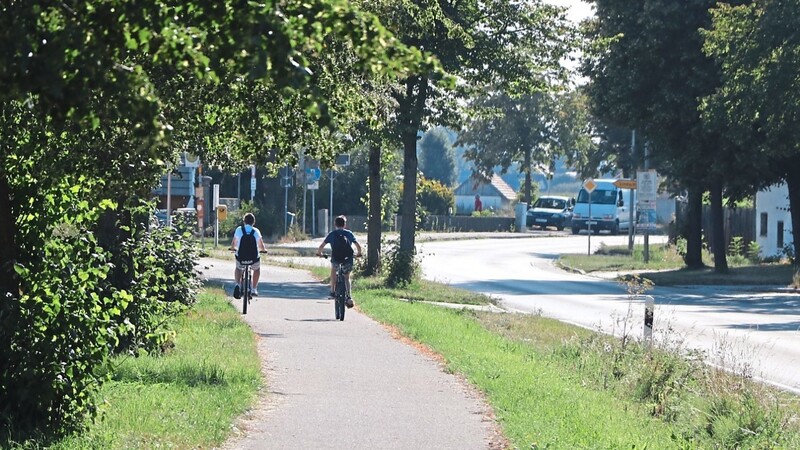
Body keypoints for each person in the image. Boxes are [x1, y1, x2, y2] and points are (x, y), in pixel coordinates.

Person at [317, 215, 362, 308]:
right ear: (344, 224)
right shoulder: (349, 233)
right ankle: (349, 297)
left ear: (335, 224)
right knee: (347, 277)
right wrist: (359, 254)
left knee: (334, 269)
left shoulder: (332, 234)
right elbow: (358, 246)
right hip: (348, 258)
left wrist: (320, 254)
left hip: (336, 258)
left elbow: (321, 247)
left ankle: (332, 291)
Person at [230, 212, 267, 298]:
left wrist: (233, 248)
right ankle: (254, 288)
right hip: (253, 258)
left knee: (238, 268)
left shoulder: (239, 230)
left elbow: (234, 243)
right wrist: (263, 250)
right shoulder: (256, 231)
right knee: (257, 269)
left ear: (244, 221)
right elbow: (261, 245)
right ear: (253, 222)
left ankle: (238, 284)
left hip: (241, 256)